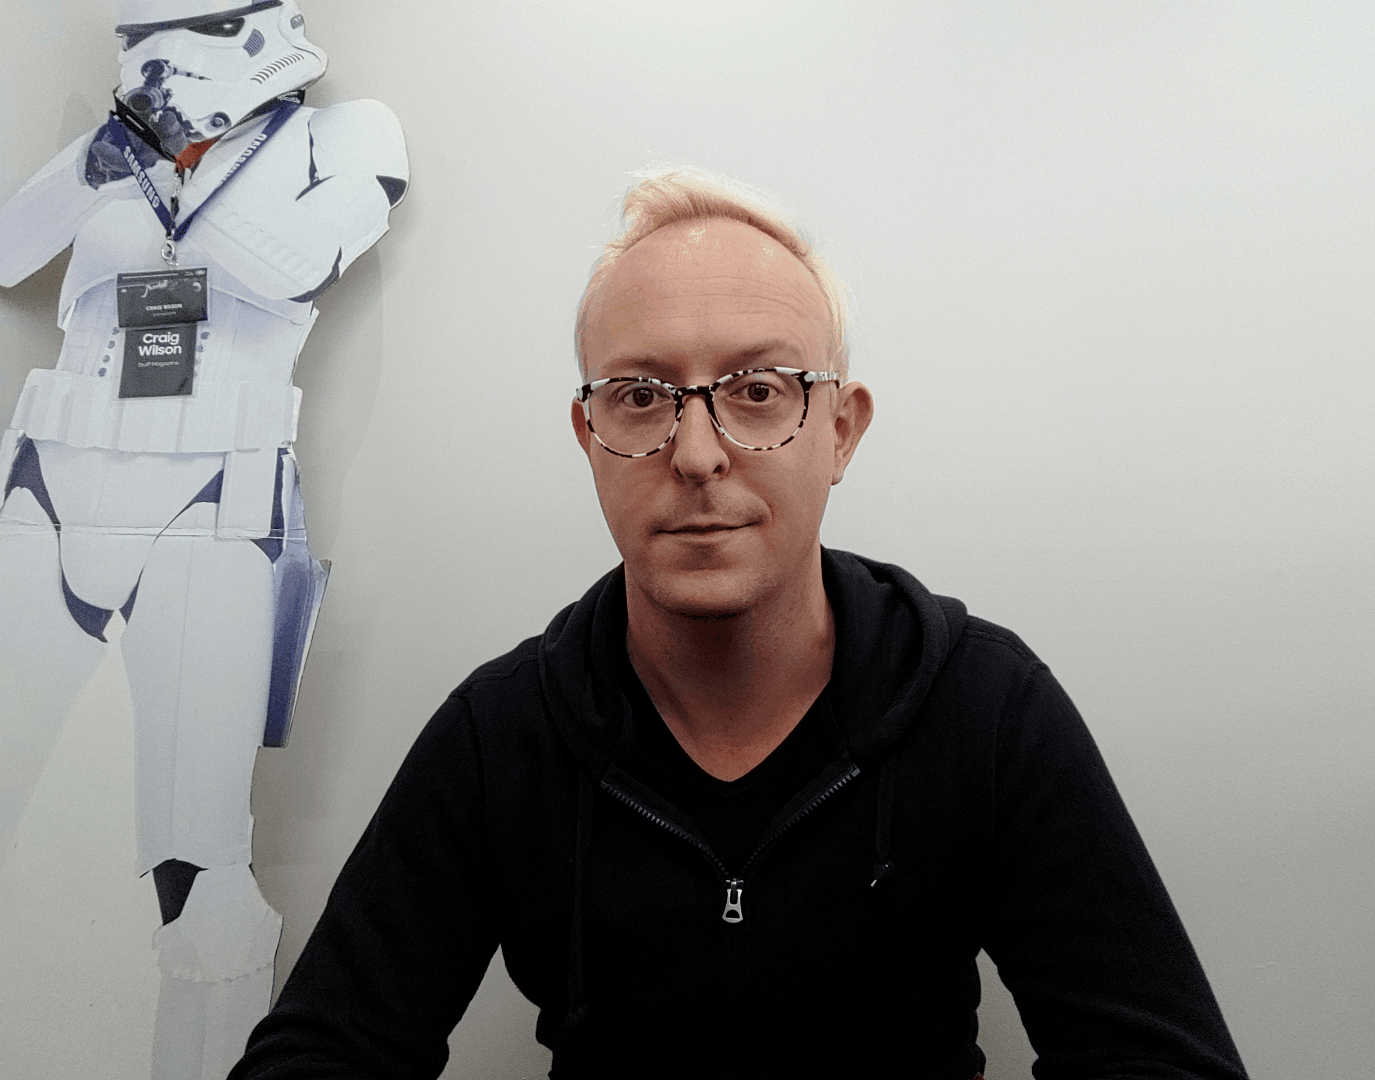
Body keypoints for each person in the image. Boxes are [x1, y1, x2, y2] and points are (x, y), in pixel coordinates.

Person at [231, 168, 1248, 1080]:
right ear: (590, 435)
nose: (697, 453)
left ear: (840, 431)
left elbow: (1158, 1060)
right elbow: (324, 1050)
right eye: (641, 396)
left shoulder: (986, 708)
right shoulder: (504, 735)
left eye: (759, 391)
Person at [0, 3, 406, 1077]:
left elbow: (292, 267)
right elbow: (6, 253)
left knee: (203, 869)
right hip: (45, 485)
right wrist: (104, 160)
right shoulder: (122, 143)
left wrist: (178, 160)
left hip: (214, 501)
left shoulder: (345, 134)